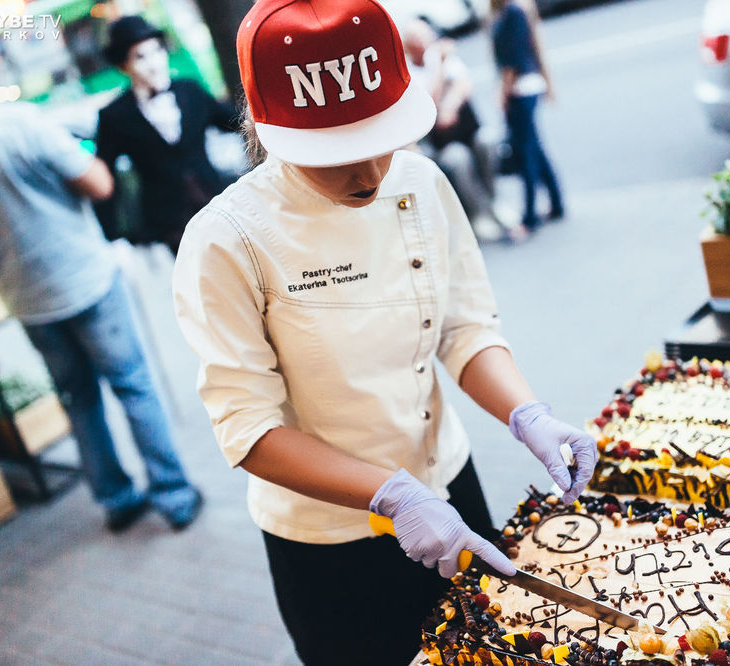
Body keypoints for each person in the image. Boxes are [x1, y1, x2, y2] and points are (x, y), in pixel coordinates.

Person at [171, 1, 596, 664]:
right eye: (335, 152)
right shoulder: (226, 239)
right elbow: (248, 429)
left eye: (379, 137)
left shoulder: (421, 181)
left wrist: (526, 412)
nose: (369, 172)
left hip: (450, 489)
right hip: (330, 541)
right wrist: (390, 495)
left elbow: (462, 328)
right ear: (266, 128)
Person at [0, 40, 203, 533]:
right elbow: (99, 184)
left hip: (23, 298)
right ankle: (174, 496)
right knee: (132, 385)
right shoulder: (19, 122)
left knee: (77, 399)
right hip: (86, 279)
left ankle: (116, 499)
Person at [96, 15, 240, 255]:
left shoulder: (190, 90)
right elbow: (105, 177)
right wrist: (112, 236)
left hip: (216, 202)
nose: (153, 64)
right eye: (140, 57)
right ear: (123, 66)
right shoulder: (115, 115)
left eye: (157, 51)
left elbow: (233, 122)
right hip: (170, 222)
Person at [402, 19, 525, 243]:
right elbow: (428, 102)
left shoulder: (444, 59)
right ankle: (478, 213)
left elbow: (464, 84)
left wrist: (450, 104)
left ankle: (495, 201)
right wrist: (439, 66)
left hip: (468, 130)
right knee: (458, 159)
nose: (425, 42)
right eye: (417, 39)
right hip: (441, 143)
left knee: (487, 142)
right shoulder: (412, 72)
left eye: (425, 36)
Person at [491, 0, 565, 232]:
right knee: (535, 149)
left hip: (520, 88)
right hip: (524, 86)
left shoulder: (513, 12)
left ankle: (530, 216)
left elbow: (512, 57)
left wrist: (503, 91)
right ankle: (556, 203)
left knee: (526, 154)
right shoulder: (512, 11)